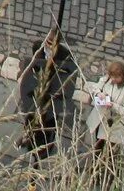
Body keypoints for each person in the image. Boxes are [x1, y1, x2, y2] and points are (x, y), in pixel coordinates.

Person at [17, 31, 78, 164]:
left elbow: (70, 78)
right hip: (36, 93)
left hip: (52, 96)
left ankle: (46, 148)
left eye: (51, 42)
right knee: (30, 118)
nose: (48, 44)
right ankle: (28, 139)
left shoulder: (65, 56)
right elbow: (34, 65)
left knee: (48, 124)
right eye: (47, 41)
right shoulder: (38, 47)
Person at [81, 62, 124, 173]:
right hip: (101, 120)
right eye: (112, 76)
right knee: (98, 144)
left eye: (116, 77)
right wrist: (99, 94)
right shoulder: (107, 79)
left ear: (123, 76)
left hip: (116, 124)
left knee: (111, 150)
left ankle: (108, 171)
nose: (113, 79)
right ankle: (95, 168)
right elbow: (96, 87)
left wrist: (112, 105)